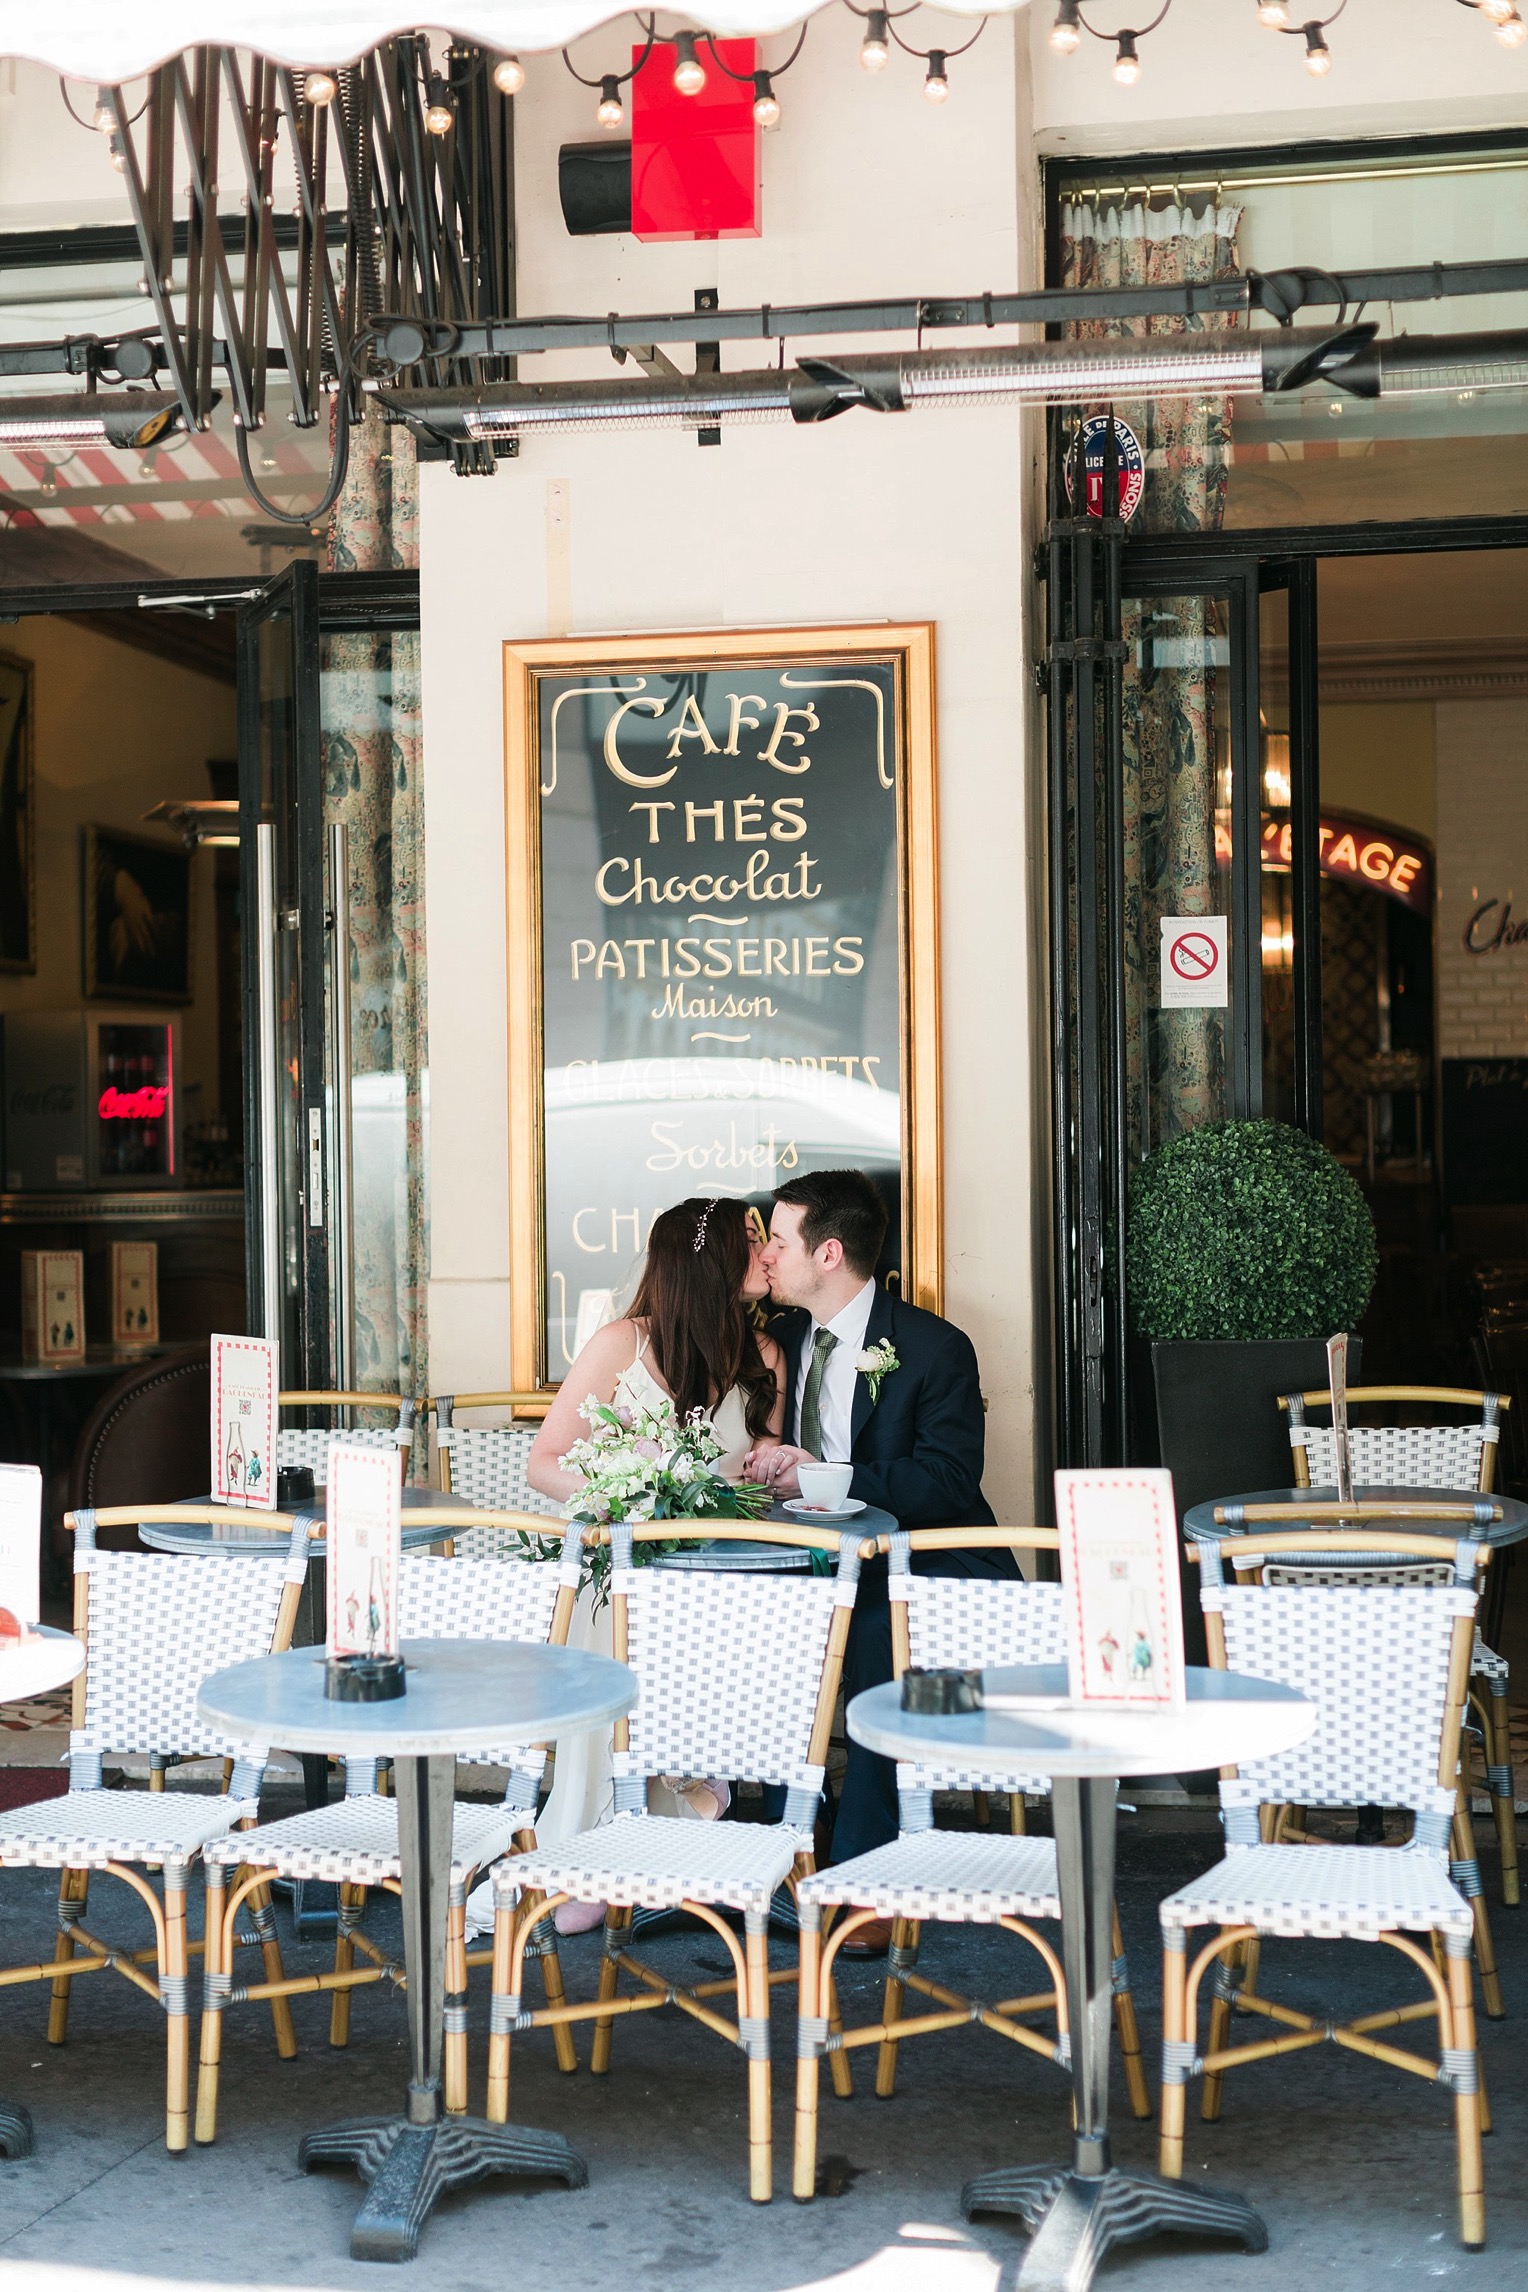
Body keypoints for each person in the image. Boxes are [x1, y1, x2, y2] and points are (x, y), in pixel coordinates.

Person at [745, 1169, 1013, 1926]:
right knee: (748, 1627)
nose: (766, 1255)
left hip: (920, 1559)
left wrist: (830, 1477)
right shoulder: (779, 1340)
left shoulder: (933, 1346)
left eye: (779, 1239)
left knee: (870, 1639)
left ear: (828, 1253)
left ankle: (864, 1885)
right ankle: (785, 1842)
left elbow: (951, 1480)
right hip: (806, 1565)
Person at [518, 1196, 787, 1930]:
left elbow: (759, 1482)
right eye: (753, 1243)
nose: (767, 1255)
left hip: (721, 1582)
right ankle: (594, 1848)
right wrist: (628, 1498)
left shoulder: (765, 1360)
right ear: (712, 1263)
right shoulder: (619, 1344)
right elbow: (544, 1465)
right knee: (613, 1618)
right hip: (626, 1568)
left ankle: (675, 1824)